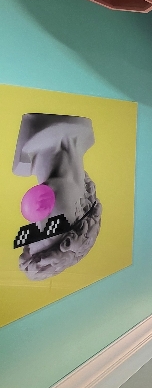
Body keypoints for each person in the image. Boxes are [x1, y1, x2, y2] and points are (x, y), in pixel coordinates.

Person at [12, 114, 102, 281]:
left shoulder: (26, 150)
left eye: (34, 227)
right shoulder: (87, 133)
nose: (38, 215)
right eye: (51, 228)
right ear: (84, 208)